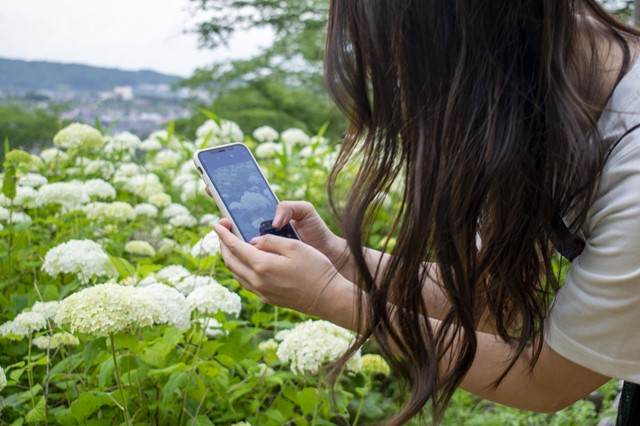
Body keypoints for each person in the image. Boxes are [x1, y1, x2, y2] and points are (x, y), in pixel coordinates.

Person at [211, 1, 640, 424]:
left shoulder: (632, 174)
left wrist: (331, 297)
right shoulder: (536, 78)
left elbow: (548, 380)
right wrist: (340, 260)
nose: (403, 87)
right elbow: (490, 300)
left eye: (406, 65)